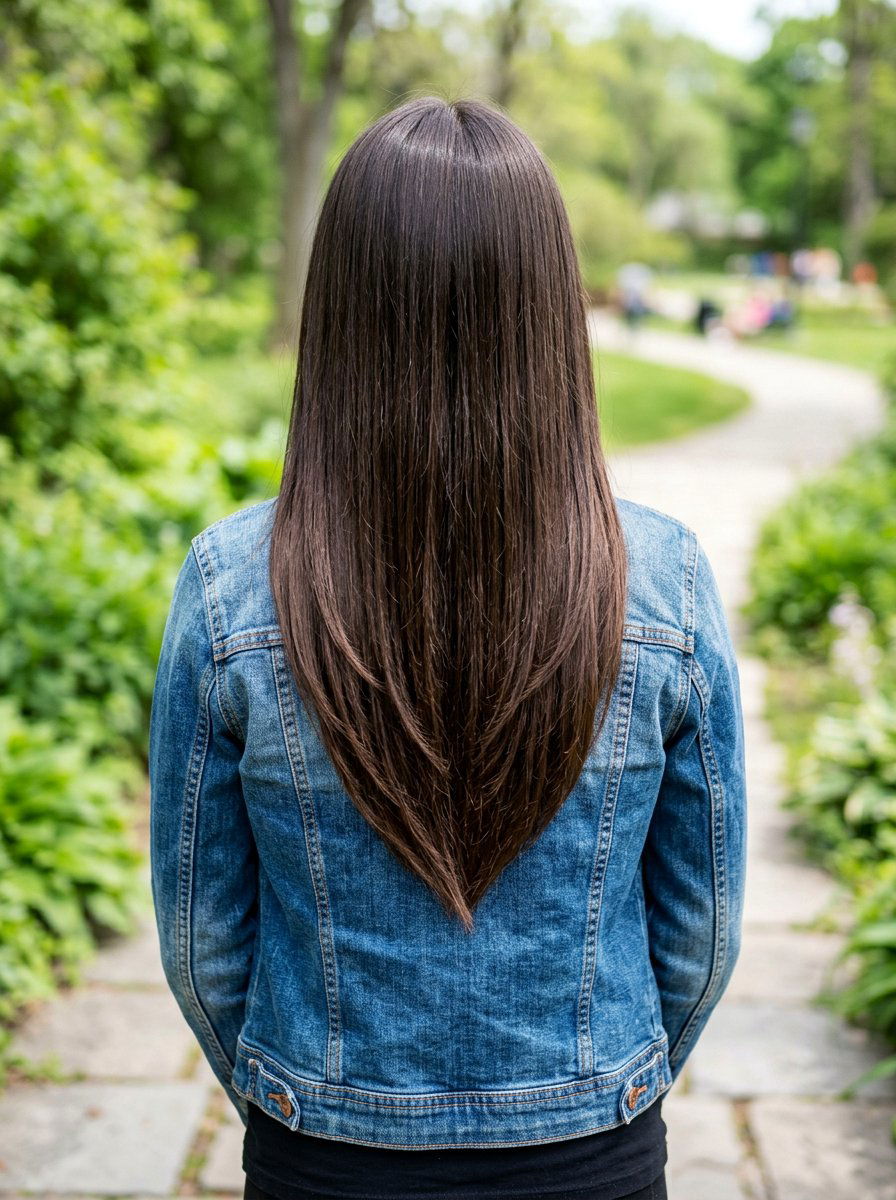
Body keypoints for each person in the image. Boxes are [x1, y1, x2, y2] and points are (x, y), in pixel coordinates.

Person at [149, 97, 747, 1200]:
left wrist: (298, 1099)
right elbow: (699, 930)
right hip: (590, 1156)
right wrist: (602, 1083)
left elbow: (201, 941)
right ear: (548, 307)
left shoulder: (233, 584)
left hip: (324, 1157)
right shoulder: (659, 577)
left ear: (340, 306)